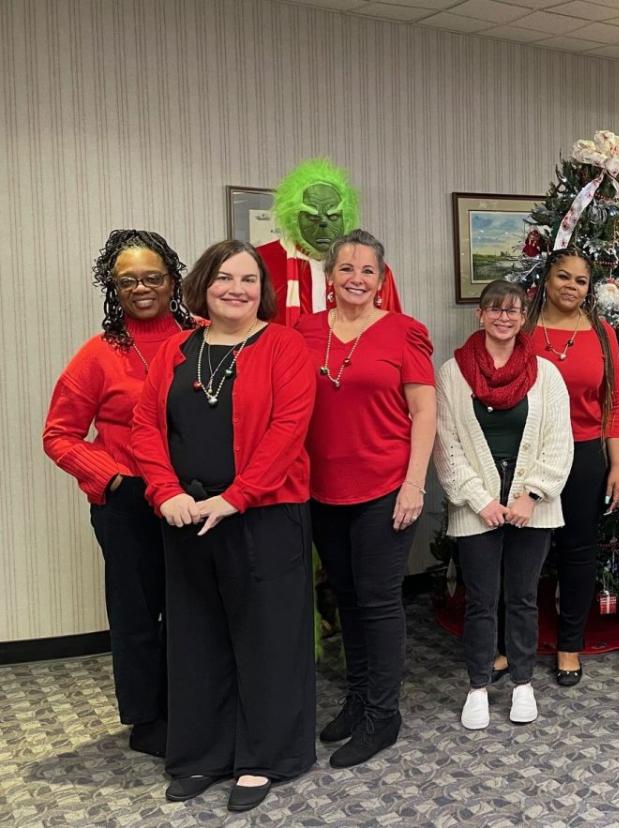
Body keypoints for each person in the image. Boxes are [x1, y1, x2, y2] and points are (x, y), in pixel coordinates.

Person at [131, 240, 317, 812]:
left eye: (249, 280)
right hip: (186, 519)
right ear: (203, 285)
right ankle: (203, 755)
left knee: (267, 640)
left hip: (264, 516)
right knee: (196, 640)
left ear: (263, 290)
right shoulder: (176, 350)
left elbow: (289, 429)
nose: (236, 289)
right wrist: (164, 492)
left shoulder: (284, 345)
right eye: (224, 278)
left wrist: (237, 497)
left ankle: (265, 758)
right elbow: (144, 425)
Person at [43, 229, 195, 758]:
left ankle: (195, 706)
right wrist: (108, 478)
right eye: (128, 280)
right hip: (129, 501)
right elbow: (58, 434)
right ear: (113, 286)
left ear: (173, 280)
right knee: (137, 612)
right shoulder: (98, 354)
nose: (142, 288)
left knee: (193, 608)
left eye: (153, 277)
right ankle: (148, 718)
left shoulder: (201, 337)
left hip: (193, 498)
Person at [296, 230, 435, 766]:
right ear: (329, 276)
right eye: (346, 269)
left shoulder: (405, 332)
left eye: (368, 270)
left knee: (378, 603)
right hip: (322, 488)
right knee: (345, 598)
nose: (356, 279)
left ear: (382, 278)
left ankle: (383, 714)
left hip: (385, 488)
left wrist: (414, 483)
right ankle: (357, 700)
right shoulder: (303, 331)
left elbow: (424, 412)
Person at [433, 280, 573, 730]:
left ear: (522, 317)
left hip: (533, 506)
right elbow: (446, 445)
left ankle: (522, 683)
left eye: (513, 310)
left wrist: (531, 495)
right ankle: (477, 685)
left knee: (524, 598)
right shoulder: (452, 373)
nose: (504, 317)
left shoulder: (546, 373)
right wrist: (481, 500)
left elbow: (558, 442)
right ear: (480, 315)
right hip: (477, 507)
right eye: (495, 309)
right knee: (480, 600)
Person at [525, 248, 619, 686]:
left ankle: (570, 644)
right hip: (529, 455)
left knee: (578, 553)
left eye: (581, 281)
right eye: (563, 277)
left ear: (590, 288)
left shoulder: (602, 333)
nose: (571, 286)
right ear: (546, 280)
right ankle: (514, 644)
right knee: (524, 553)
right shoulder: (523, 329)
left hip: (585, 454)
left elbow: (616, 402)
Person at [257, 158, 402, 326]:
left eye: (333, 216)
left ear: (345, 218)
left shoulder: (370, 270)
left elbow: (392, 330)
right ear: (293, 217)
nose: (323, 224)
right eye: (311, 216)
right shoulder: (261, 262)